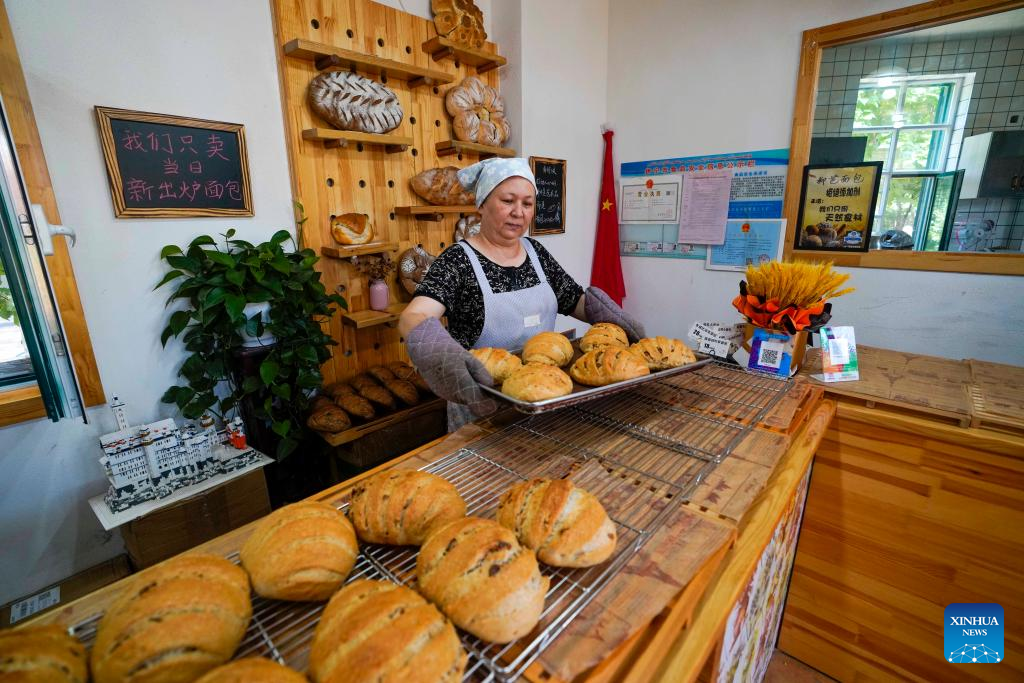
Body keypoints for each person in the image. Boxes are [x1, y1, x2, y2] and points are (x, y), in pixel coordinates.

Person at [398, 157, 645, 431]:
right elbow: (413, 315)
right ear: (481, 204)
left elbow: (573, 299)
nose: (519, 212)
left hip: (543, 394)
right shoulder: (457, 260)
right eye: (508, 201)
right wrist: (437, 352)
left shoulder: (535, 253)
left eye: (527, 204)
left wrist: (602, 310)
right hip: (483, 406)